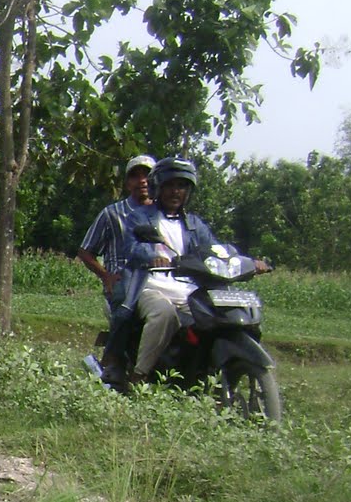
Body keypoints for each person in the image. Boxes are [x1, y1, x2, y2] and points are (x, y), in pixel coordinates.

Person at [116, 156, 268, 384]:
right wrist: (152, 256)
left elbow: (215, 249)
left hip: (188, 290)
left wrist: (248, 262)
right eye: (170, 185)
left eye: (182, 186)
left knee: (219, 316)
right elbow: (130, 246)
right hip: (151, 286)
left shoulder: (195, 224)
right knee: (164, 314)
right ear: (159, 187)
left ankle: (203, 372)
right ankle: (139, 375)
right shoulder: (140, 217)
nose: (176, 191)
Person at [78, 155, 155, 383]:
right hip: (124, 278)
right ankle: (111, 362)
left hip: (160, 280)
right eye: (136, 175)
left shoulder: (164, 213)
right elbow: (85, 251)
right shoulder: (113, 213)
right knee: (126, 309)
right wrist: (106, 276)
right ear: (127, 183)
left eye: (148, 175)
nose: (142, 181)